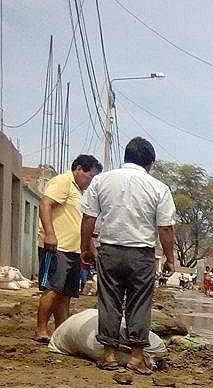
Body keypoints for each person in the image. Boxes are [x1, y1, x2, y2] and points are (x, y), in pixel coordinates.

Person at [79, 137, 176, 374]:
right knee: (139, 304)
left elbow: (88, 218)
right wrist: (171, 260)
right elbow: (165, 228)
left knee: (109, 301)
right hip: (142, 255)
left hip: (110, 250)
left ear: (126, 157)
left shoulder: (101, 181)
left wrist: (85, 248)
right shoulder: (159, 188)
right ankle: (136, 358)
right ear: (150, 163)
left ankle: (109, 356)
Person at [33, 154, 103, 342]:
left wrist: (91, 250)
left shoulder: (81, 193)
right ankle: (41, 330)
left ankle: (60, 332)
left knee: (66, 295)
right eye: (89, 176)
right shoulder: (63, 182)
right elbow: (45, 204)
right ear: (79, 169)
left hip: (74, 251)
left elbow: (80, 224)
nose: (90, 181)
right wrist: (50, 234)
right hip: (58, 248)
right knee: (52, 289)